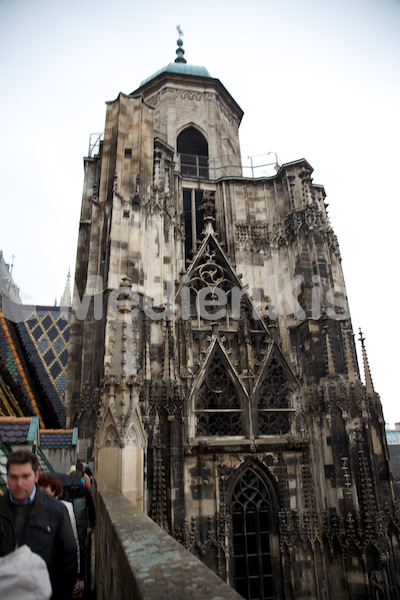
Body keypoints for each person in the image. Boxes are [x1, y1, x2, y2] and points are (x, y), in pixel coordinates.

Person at [0, 450, 77, 600]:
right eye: (13, 477)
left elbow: (68, 558)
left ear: (36, 476)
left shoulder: (56, 510)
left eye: (25, 476)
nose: (19, 483)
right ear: (7, 476)